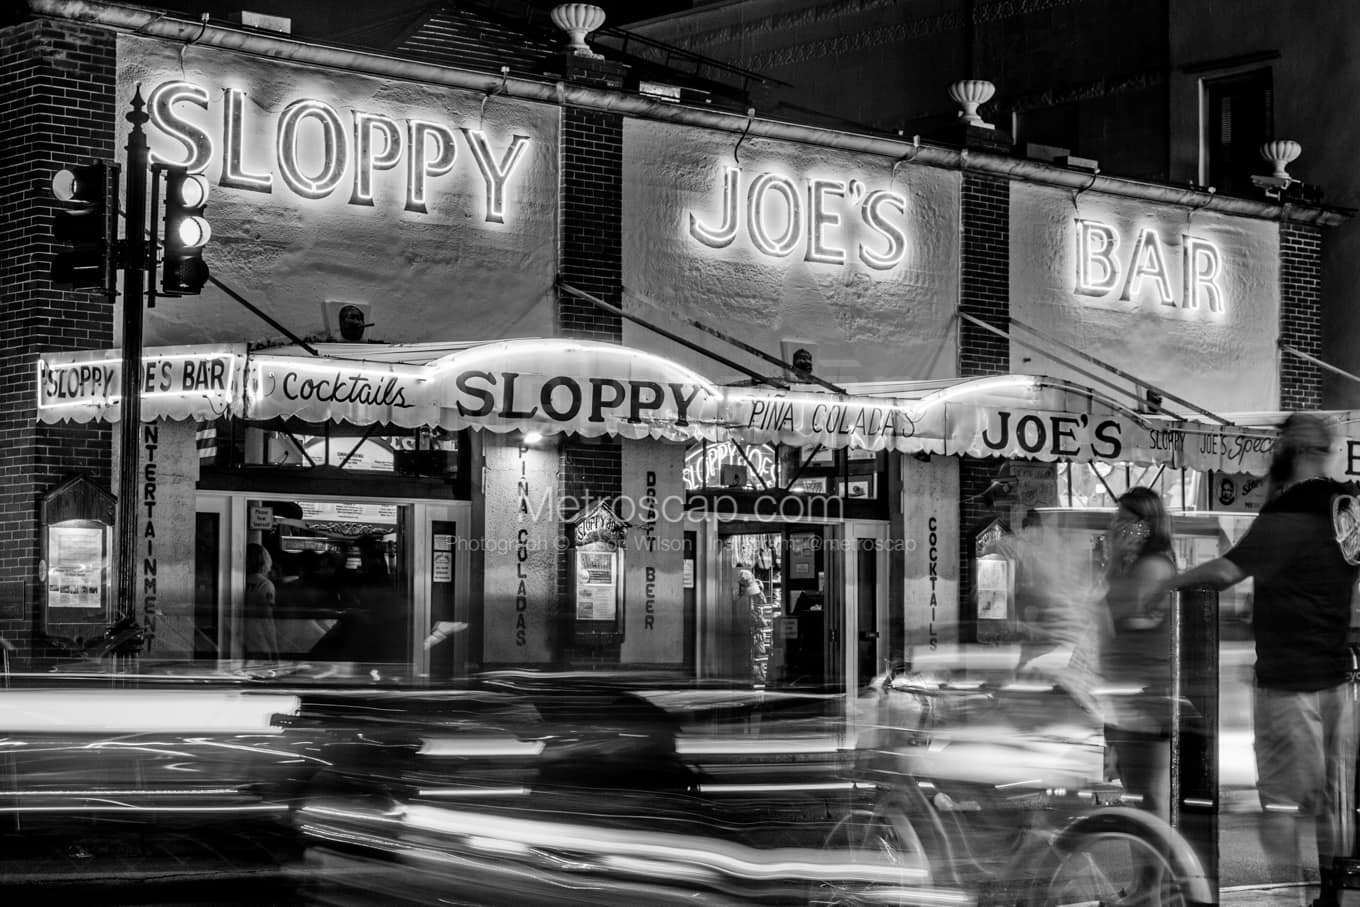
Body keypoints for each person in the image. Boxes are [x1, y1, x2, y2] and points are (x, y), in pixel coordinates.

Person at [1160, 412, 1358, 907]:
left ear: (1287, 449)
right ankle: (1332, 896)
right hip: (1338, 680)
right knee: (1333, 804)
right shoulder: (1348, 507)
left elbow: (1227, 572)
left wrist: (1165, 586)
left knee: (1282, 806)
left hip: (1289, 683)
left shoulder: (1288, 512)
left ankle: (1290, 899)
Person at [1100, 486, 1177, 823]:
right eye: (1116, 519)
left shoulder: (1152, 568)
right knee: (1139, 795)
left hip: (1145, 697)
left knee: (1148, 798)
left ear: (1145, 524)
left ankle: (1158, 873)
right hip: (1128, 695)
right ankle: (1151, 874)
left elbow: (1123, 623)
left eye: (1124, 519)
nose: (1115, 526)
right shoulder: (1134, 568)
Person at [243, 542, 278, 660]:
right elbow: (267, 620)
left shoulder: (240, 580)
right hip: (258, 641)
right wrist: (274, 650)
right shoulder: (265, 585)